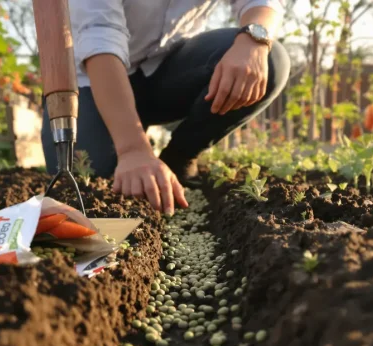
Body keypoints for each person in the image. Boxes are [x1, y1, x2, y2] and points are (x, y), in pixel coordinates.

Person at [41, 0, 290, 215]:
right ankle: (127, 142)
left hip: (166, 70)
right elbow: (99, 38)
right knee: (90, 181)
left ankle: (178, 157)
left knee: (270, 59)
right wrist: (132, 150)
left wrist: (253, 41)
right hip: (93, 82)